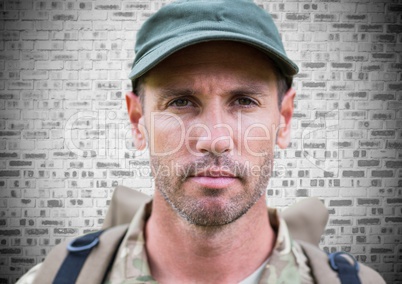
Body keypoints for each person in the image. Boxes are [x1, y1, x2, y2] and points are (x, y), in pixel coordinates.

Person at [17, 0, 385, 283]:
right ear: (137, 121)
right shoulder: (56, 278)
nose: (214, 139)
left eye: (244, 101)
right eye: (180, 102)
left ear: (284, 119)